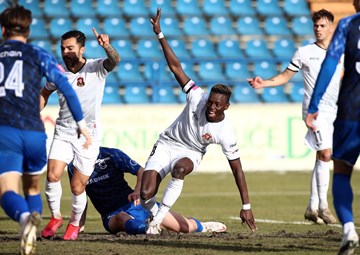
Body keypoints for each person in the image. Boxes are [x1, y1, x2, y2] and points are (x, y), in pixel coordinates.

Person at [139, 8, 256, 235]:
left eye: (217, 105)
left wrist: (246, 206)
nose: (211, 108)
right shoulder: (197, 96)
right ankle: (191, 224)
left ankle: (157, 222)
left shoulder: (225, 131)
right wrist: (160, 35)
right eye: (210, 102)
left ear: (226, 107)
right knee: (145, 195)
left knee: (180, 169)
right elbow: (176, 67)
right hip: (167, 143)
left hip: (191, 152)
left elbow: (237, 170)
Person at [0, 5, 92, 255]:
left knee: (7, 190)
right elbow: (66, 86)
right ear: (28, 31)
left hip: (6, 131)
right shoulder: (37, 54)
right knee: (32, 186)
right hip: (34, 132)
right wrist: (82, 125)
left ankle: (23, 218)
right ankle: (29, 234)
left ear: (3, 29)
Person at [247, 9, 342, 225]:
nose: (318, 29)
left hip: (334, 111)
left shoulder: (341, 52)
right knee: (325, 154)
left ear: (331, 27)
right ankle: (324, 208)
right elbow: (285, 76)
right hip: (313, 111)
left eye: (322, 26)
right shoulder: (304, 52)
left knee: (323, 157)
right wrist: (265, 83)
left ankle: (311, 207)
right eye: (315, 26)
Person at [40, 29, 120, 241]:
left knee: (77, 186)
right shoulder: (57, 72)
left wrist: (107, 46)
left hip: (88, 136)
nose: (65, 52)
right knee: (52, 175)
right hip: (64, 130)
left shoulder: (96, 68)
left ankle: (74, 224)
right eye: (63, 48)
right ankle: (55, 217)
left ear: (81, 49)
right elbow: (45, 92)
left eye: (70, 48)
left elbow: (115, 60)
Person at [67, 146, 227, 235]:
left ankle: (203, 226)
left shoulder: (111, 154)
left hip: (137, 205)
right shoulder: (73, 167)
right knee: (123, 218)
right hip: (111, 215)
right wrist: (78, 224)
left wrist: (137, 191)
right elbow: (80, 196)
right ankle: (150, 228)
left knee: (185, 228)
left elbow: (142, 171)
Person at [306, 1, 360, 254]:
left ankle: (348, 229)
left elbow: (330, 64)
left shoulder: (348, 24)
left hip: (350, 108)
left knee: (342, 172)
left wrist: (314, 103)